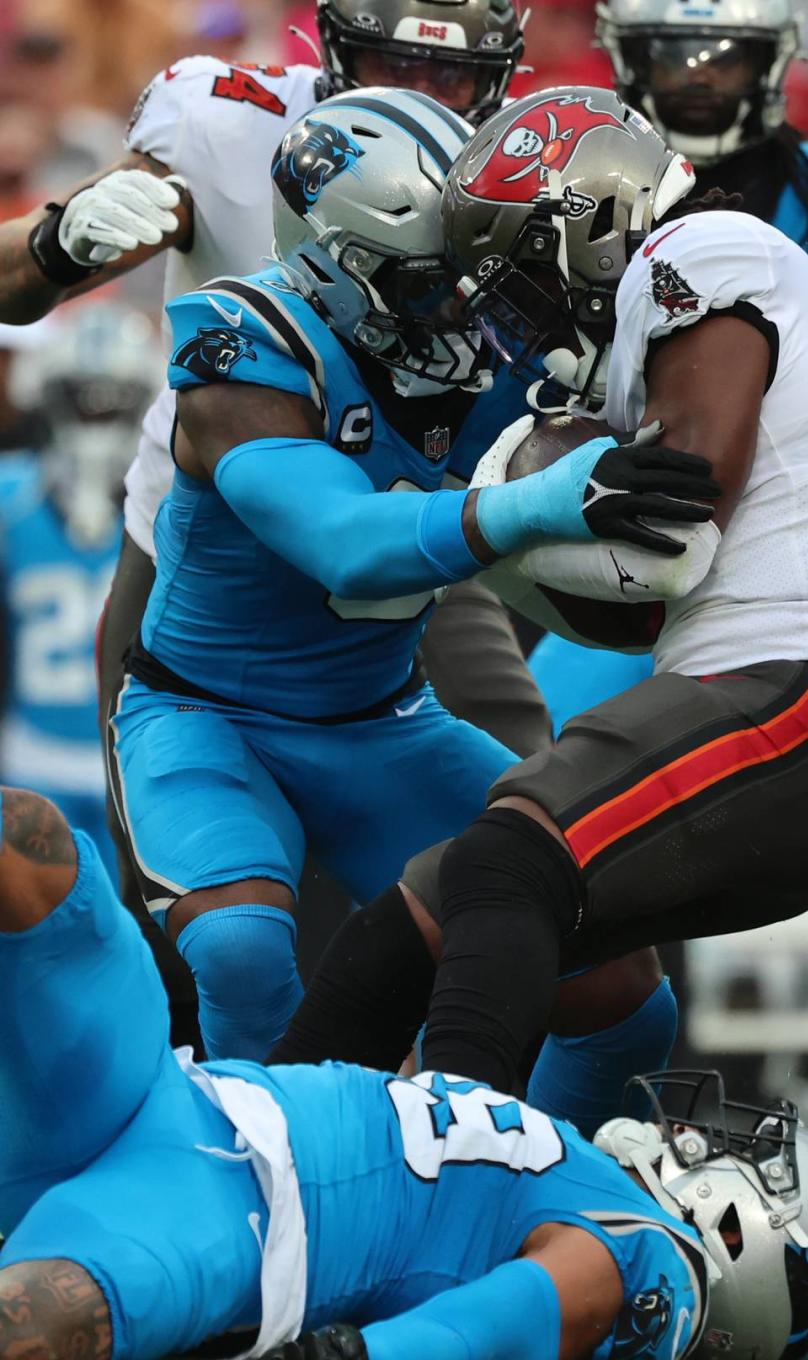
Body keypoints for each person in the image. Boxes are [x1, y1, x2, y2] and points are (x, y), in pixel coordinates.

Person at [273, 84, 808, 1139]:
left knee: (506, 857)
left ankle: (454, 1180)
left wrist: (512, 505)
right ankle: (265, 1178)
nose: (522, 318)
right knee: (419, 915)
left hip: (793, 697)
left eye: (522, 273)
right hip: (759, 710)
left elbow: (679, 515)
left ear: (589, 218)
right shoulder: (679, 331)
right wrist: (512, 528)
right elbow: (625, 613)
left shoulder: (700, 247)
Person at [106, 91, 718, 1066]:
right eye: (433, 279)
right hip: (210, 718)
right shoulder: (240, 347)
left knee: (615, 980)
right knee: (239, 947)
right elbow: (342, 538)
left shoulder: (481, 341)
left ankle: (534, 1195)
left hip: (383, 716)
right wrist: (542, 501)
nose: (466, 304)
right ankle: (275, 1199)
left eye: (473, 272)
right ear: (339, 263)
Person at [0, 0, 544, 1053]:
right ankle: (185, 1154)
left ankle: (488, 1149)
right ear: (331, 55)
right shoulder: (230, 129)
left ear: (503, 78)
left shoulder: (530, 173)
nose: (416, 98)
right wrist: (64, 241)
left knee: (537, 848)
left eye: (448, 76)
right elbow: (13, 287)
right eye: (387, 64)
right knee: (188, 916)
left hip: (414, 548)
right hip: (206, 564)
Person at [515, 0, 808, 1253]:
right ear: (622, 60)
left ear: (777, 67)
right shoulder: (570, 173)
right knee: (543, 829)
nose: (695, 79)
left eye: (720, 53)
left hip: (785, 575)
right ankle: (520, 1168)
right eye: (668, 53)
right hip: (627, 560)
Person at [0, 785, 808, 1360]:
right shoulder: (572, 1163)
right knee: (39, 852)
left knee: (49, 1317)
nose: (700, 1133)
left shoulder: (660, 1255)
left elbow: (522, 1314)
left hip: (245, 1210)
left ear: (748, 1236)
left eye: (749, 1156)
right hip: (178, 1106)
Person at [0, 303, 161, 882]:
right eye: (82, 400)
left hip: (139, 767)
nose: (96, 421)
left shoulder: (170, 503)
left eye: (112, 403)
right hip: (30, 766)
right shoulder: (11, 496)